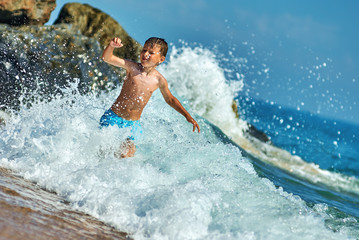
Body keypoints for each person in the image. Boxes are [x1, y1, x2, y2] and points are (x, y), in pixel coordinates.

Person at [100, 37, 200, 158]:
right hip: (113, 118)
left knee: (126, 156)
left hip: (133, 125)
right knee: (104, 153)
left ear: (161, 59)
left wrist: (187, 116)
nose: (145, 54)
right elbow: (107, 58)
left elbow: (170, 99)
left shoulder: (159, 80)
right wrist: (111, 46)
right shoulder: (132, 67)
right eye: (144, 50)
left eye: (151, 52)